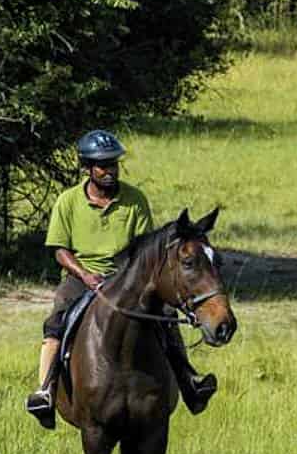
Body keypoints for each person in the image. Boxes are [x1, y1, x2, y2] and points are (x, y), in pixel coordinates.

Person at [25, 129, 218, 429]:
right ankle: (45, 391)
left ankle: (189, 381)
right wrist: (85, 276)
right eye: (102, 165)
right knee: (58, 319)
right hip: (81, 274)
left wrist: (126, 278)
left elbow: (144, 248)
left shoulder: (135, 200)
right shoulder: (68, 201)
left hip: (127, 278)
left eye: (113, 164)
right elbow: (60, 251)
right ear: (87, 168)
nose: (109, 171)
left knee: (165, 315)